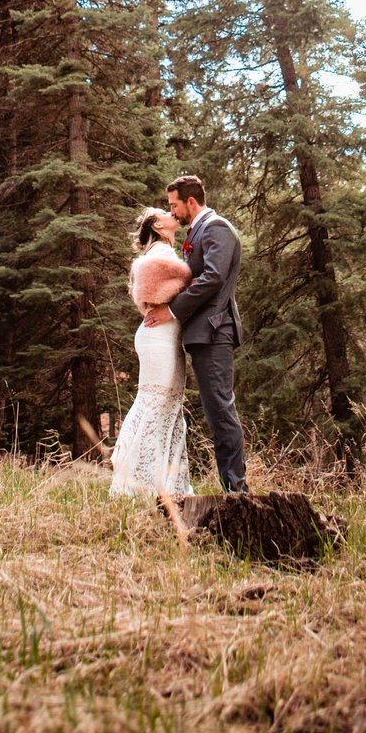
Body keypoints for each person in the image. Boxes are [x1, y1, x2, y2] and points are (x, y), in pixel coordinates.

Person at [144, 174, 248, 493]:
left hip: (215, 332)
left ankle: (237, 491)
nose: (172, 212)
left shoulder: (216, 227)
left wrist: (172, 310)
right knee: (216, 412)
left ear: (191, 201)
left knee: (221, 410)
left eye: (174, 205)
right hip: (203, 334)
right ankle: (232, 489)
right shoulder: (199, 230)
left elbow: (213, 278)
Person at [109, 206, 194, 499]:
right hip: (158, 337)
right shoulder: (160, 252)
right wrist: (191, 282)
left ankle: (166, 485)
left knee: (169, 405)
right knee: (156, 402)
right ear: (157, 225)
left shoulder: (162, 251)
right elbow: (146, 283)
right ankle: (140, 482)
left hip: (165, 335)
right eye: (165, 212)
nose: (172, 213)